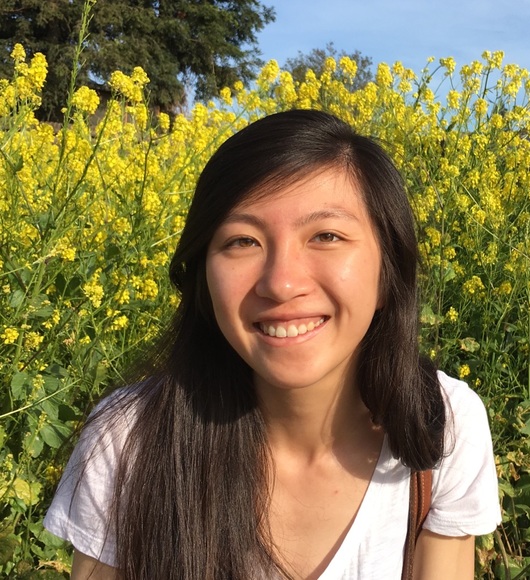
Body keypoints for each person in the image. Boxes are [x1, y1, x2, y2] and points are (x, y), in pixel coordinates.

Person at [44, 109, 501, 579]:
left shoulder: (442, 425)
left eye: (326, 236)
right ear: (204, 277)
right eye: (243, 241)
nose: (281, 284)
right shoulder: (129, 441)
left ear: (388, 274)